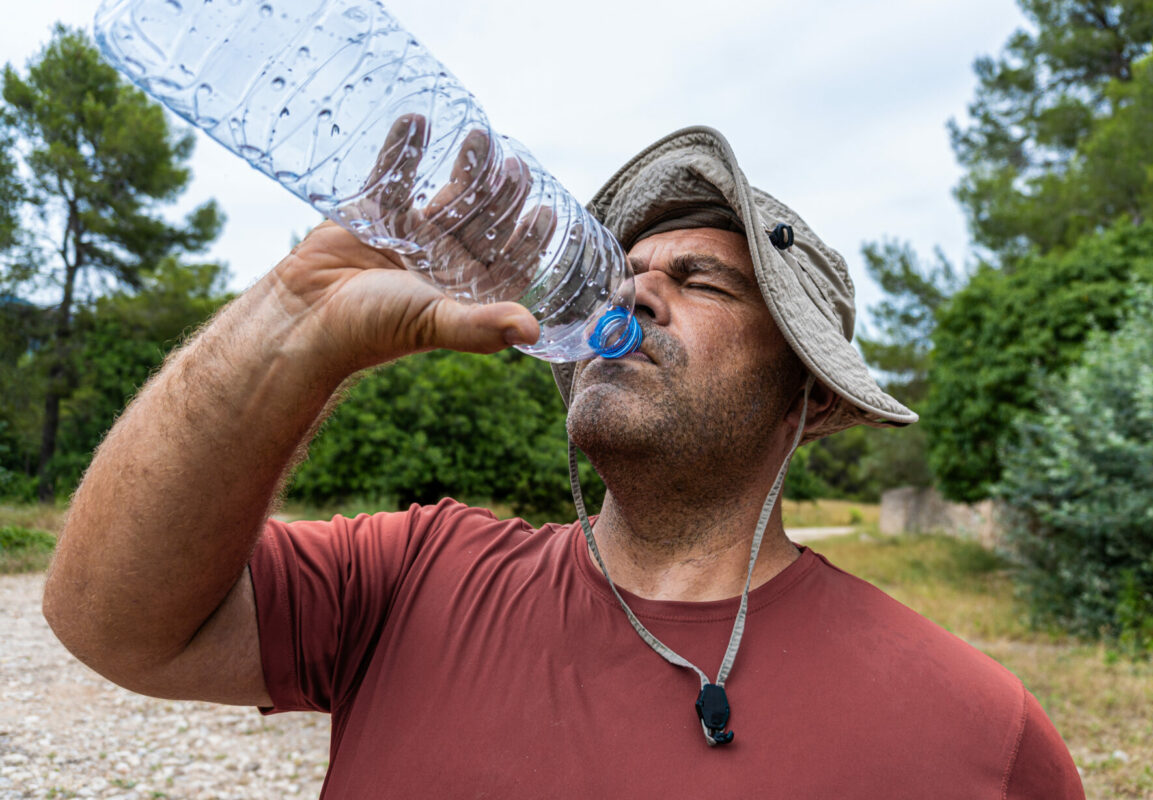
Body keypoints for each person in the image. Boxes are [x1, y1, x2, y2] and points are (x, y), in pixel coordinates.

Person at [42, 125, 1085, 798]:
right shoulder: (415, 574)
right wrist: (294, 317)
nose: (631, 294)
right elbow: (110, 620)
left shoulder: (976, 730)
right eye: (622, 273)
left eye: (698, 280)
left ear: (808, 392)